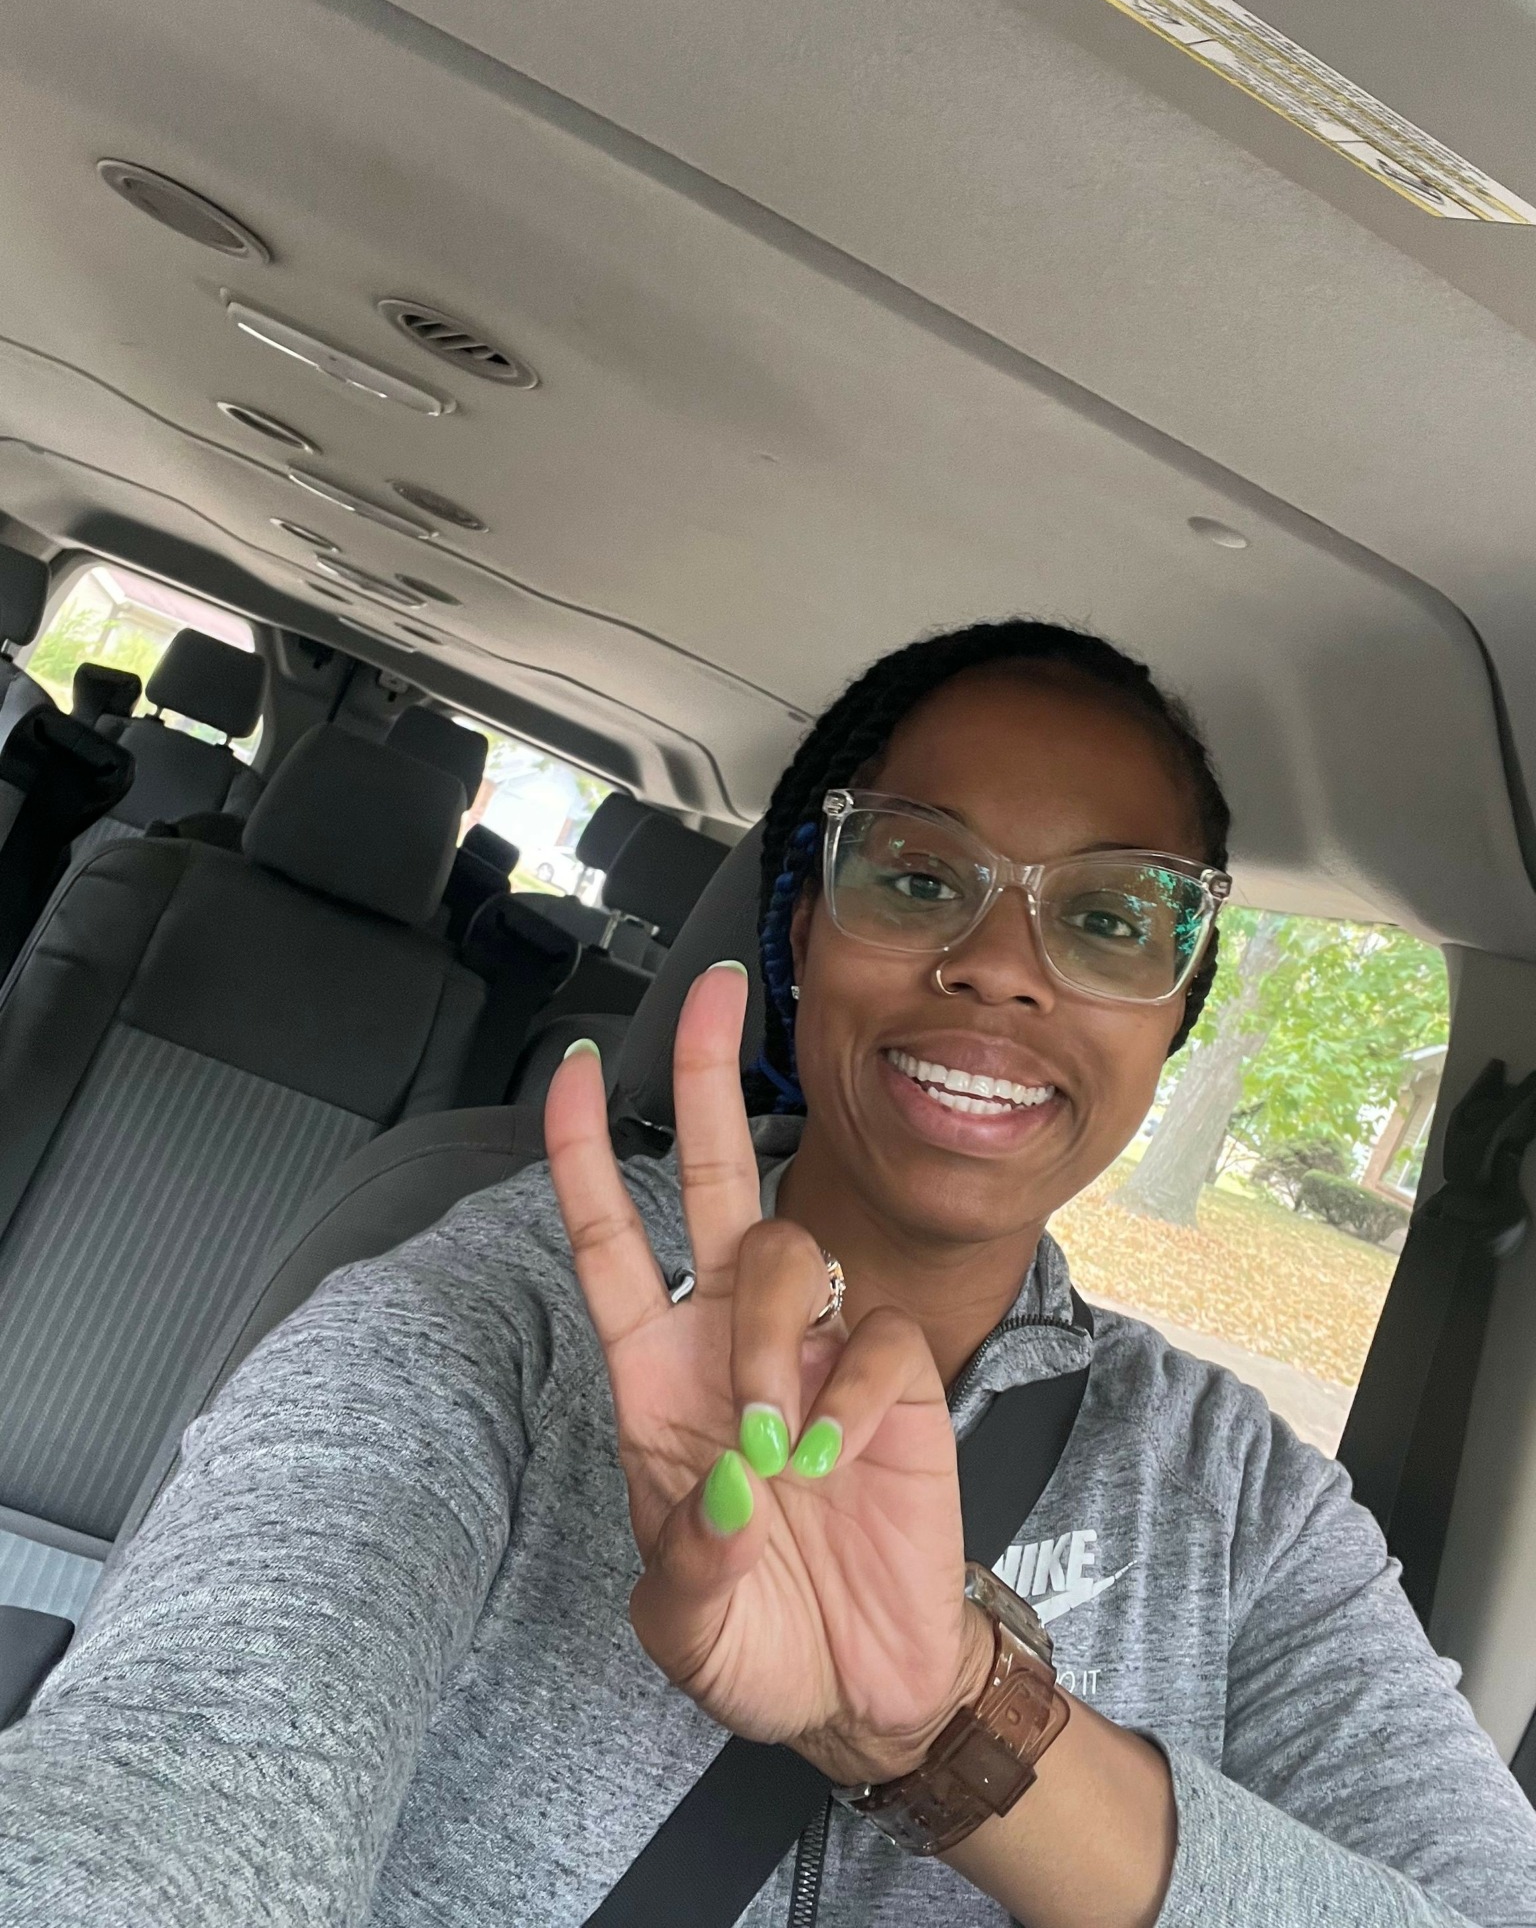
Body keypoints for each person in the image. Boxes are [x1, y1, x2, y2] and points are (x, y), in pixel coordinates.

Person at [2, 618, 1534, 1928]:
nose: (1005, 965)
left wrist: (954, 1719)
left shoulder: (1253, 1506)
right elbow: (177, 1787)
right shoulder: (496, 1316)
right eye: (918, 878)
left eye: (1112, 918)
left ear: (1174, 1012)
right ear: (801, 932)